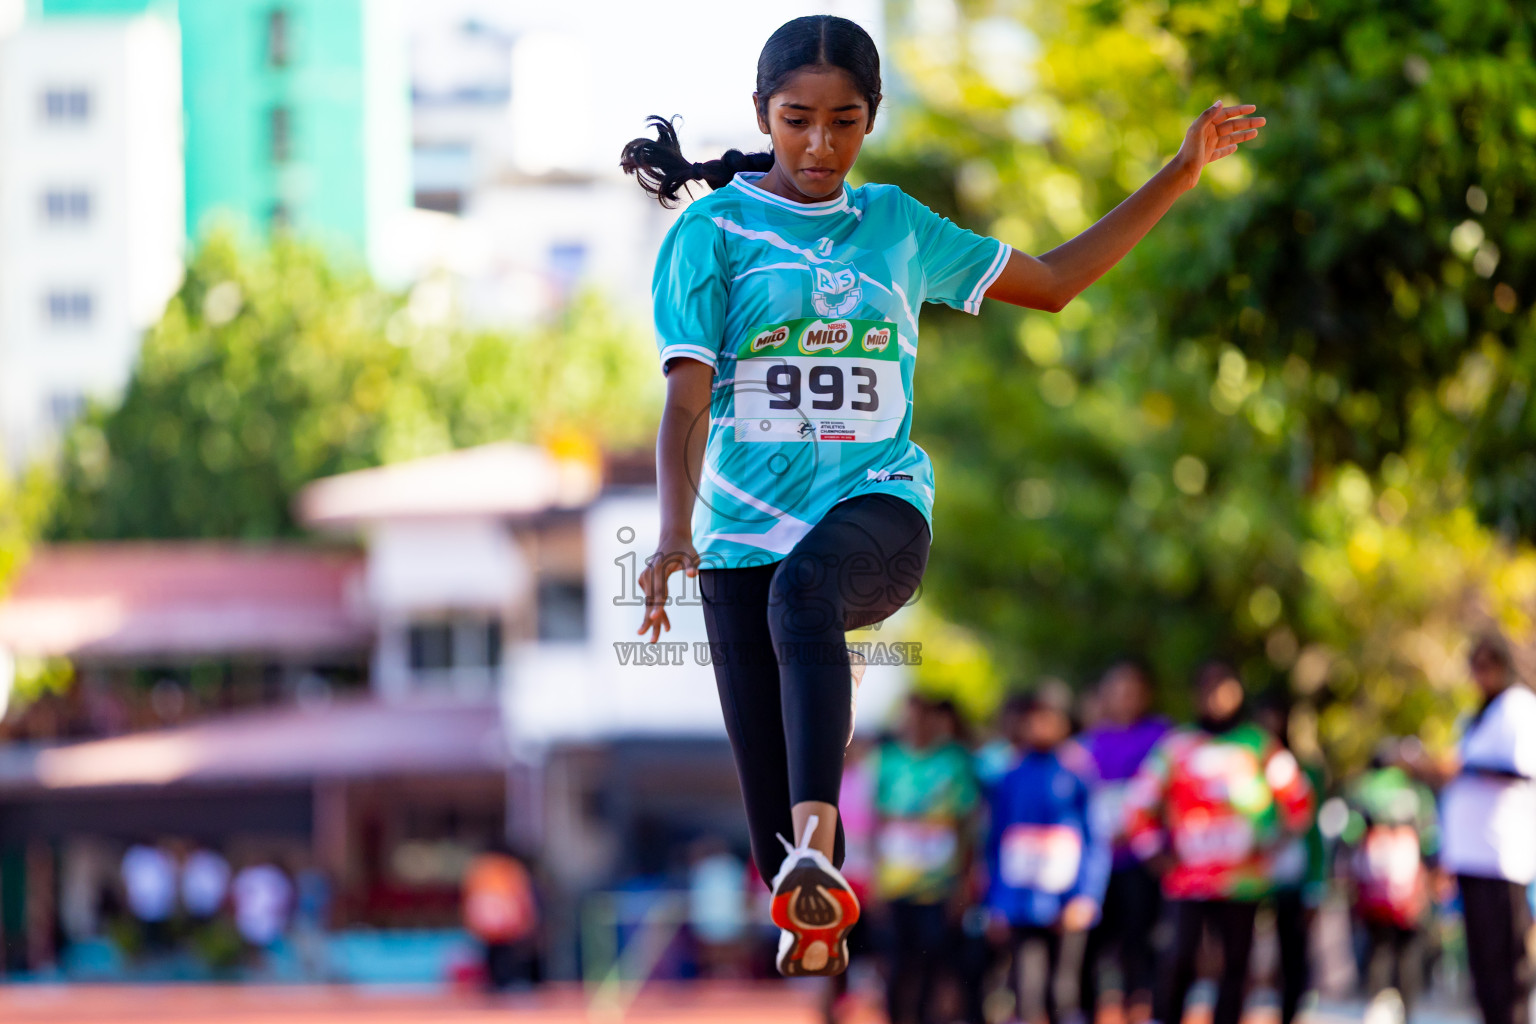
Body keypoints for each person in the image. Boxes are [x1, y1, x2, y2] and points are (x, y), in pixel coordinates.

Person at [626, 12, 1266, 978]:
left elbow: (1051, 282)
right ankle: (809, 888)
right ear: (763, 113)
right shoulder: (710, 232)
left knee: (808, 598)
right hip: (738, 542)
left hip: (877, 512)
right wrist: (674, 532)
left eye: (844, 122)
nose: (819, 144)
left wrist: (1180, 172)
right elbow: (686, 399)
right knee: (772, 845)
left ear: (871, 119)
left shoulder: (897, 225)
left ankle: (812, 842)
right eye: (798, 120)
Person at [1123, 661, 1315, 1024]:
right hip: (1187, 879)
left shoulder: (1259, 746)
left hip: (1243, 881)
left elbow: (1299, 799)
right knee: (1179, 957)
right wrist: (1152, 851)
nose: (1217, 698)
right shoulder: (1177, 747)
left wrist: (1273, 842)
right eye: (1209, 689)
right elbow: (1138, 804)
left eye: (1225, 688)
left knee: (1235, 963)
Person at [1404, 633, 1536, 1024]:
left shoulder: (1518, 708)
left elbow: (1517, 767)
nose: (1481, 675)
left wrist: (1454, 767)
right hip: (1471, 856)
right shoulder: (1477, 715)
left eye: (1487, 665)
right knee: (1482, 965)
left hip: (1503, 856)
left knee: (1508, 965)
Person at [985, 686, 1110, 1024]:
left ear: (1063, 723)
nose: (1039, 726)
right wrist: (996, 902)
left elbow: (1096, 839)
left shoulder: (1078, 774)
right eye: (1032, 719)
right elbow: (995, 841)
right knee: (1026, 989)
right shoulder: (1010, 777)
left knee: (1063, 990)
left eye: (1047, 718)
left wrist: (1087, 896)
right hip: (1021, 904)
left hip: (1067, 901)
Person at [873, 694, 980, 1024]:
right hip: (896, 884)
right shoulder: (885, 762)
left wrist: (963, 880)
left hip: (939, 886)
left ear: (934, 722)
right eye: (908, 718)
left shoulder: (955, 762)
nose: (914, 726)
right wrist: (875, 878)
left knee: (935, 962)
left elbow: (966, 824)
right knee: (896, 964)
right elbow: (874, 822)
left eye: (922, 718)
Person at [1078, 659, 1171, 1024]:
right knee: (1091, 949)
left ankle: (1141, 1012)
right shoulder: (1088, 744)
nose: (1126, 698)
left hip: (1142, 861)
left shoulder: (1163, 738)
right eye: (1118, 690)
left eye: (1133, 690)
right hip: (1097, 866)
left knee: (1142, 943)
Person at [1344, 738, 1440, 1020]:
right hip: (1409, 886)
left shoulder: (1362, 789)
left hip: (1372, 885)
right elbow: (1431, 839)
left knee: (1378, 947)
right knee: (1408, 949)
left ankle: (1377, 1004)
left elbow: (1349, 835)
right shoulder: (1416, 792)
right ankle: (1406, 1012)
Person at [1254, 690, 1328, 1024]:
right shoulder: (1241, 767)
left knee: (1293, 951)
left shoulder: (1306, 771)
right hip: (1244, 874)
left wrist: (1316, 882)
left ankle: (1290, 1013)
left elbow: (1314, 833)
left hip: (1292, 876)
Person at [462, 842, 540, 992]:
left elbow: (471, 901)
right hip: (508, 931)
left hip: (492, 932)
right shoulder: (509, 869)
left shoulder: (481, 869)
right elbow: (523, 901)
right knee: (506, 967)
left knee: (497, 967)